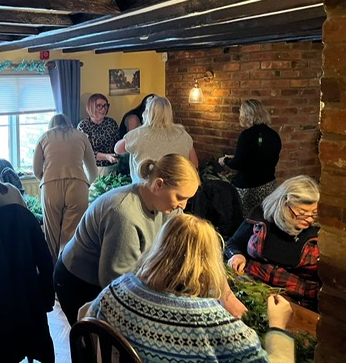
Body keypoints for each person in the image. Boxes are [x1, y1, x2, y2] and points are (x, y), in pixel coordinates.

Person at [87, 214, 294, 363]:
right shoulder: (221, 327)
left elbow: (86, 321)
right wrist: (278, 326)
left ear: (159, 248)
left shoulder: (117, 288)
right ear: (210, 262)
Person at [54, 154, 200, 325]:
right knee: (94, 340)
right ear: (158, 185)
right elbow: (115, 281)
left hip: (110, 280)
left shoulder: (168, 207)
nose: (183, 205)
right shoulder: (123, 214)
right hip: (79, 282)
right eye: (180, 197)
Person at [225, 175, 320, 310]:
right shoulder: (261, 219)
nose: (309, 219)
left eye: (314, 213)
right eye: (302, 213)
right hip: (250, 287)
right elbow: (233, 243)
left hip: (292, 302)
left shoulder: (318, 237)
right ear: (283, 204)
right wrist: (236, 254)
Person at [33, 114, 99, 261]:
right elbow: (93, 172)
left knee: (52, 235)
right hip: (78, 185)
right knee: (71, 235)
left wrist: (47, 179)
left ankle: (52, 270)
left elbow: (36, 170)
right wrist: (85, 183)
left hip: (50, 185)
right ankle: (68, 269)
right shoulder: (81, 136)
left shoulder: (44, 137)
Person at [218, 99, 282, 217]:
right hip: (269, 185)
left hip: (249, 188)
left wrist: (225, 160)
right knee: (264, 218)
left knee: (247, 220)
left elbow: (238, 163)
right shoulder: (273, 134)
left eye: (241, 113)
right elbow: (263, 157)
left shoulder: (246, 135)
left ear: (247, 115)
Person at [114, 96, 198, 183]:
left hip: (145, 188)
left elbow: (117, 149)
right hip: (176, 186)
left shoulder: (138, 134)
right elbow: (194, 164)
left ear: (148, 113)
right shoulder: (183, 134)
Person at [77, 93, 120, 176]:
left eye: (105, 105)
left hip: (112, 167)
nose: (103, 109)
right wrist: (106, 156)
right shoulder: (83, 126)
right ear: (91, 107)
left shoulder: (111, 123)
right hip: (92, 168)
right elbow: (85, 152)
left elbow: (117, 144)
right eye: (99, 106)